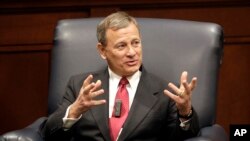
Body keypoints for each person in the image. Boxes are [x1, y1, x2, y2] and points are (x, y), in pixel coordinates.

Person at [41, 11, 200, 141]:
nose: (132, 52)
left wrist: (185, 113)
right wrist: (75, 110)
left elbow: (184, 137)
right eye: (121, 46)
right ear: (103, 51)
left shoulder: (166, 92)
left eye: (135, 43)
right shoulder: (80, 86)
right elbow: (49, 134)